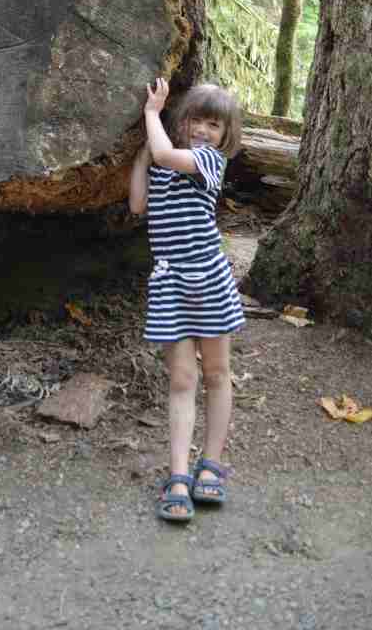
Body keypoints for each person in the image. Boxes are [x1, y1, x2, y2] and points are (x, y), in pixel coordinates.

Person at [129, 77, 244, 522]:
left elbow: (163, 153)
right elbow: (138, 204)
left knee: (216, 373)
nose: (203, 130)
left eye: (213, 124)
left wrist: (150, 114)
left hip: (209, 280)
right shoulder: (163, 162)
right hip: (170, 283)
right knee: (181, 379)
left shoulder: (208, 161)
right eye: (197, 120)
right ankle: (178, 474)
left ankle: (210, 464)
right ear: (184, 121)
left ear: (223, 135)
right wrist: (140, 156)